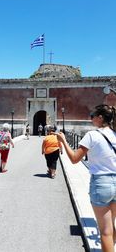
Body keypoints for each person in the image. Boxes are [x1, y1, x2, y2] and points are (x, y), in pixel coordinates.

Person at [55, 105, 116, 252]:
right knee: (111, 226)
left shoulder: (92, 135)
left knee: (105, 232)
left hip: (102, 184)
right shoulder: (114, 134)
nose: (90, 118)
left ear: (100, 117)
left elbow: (75, 159)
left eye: (92, 115)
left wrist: (63, 140)